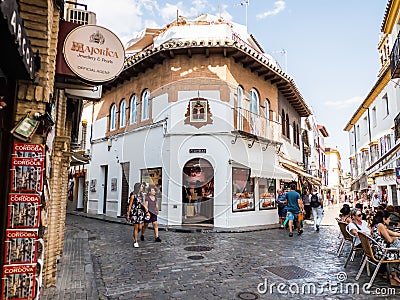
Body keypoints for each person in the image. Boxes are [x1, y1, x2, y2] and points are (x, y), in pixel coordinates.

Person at [370, 210, 400, 284]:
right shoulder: (381, 226)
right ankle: (394, 273)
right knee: (397, 247)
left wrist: (396, 236)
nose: (390, 220)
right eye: (389, 218)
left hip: (377, 251)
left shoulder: (376, 226)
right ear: (384, 218)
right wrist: (395, 238)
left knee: (397, 245)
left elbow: (393, 233)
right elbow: (389, 240)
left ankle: (394, 273)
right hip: (382, 253)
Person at [126, 183, 149, 248]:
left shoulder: (142, 195)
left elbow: (144, 204)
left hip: (141, 212)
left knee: (140, 227)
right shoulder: (133, 195)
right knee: (136, 227)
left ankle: (134, 234)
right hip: (135, 212)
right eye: (141, 187)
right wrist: (128, 214)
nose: (142, 188)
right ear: (138, 187)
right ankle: (135, 241)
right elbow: (130, 205)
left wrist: (147, 211)